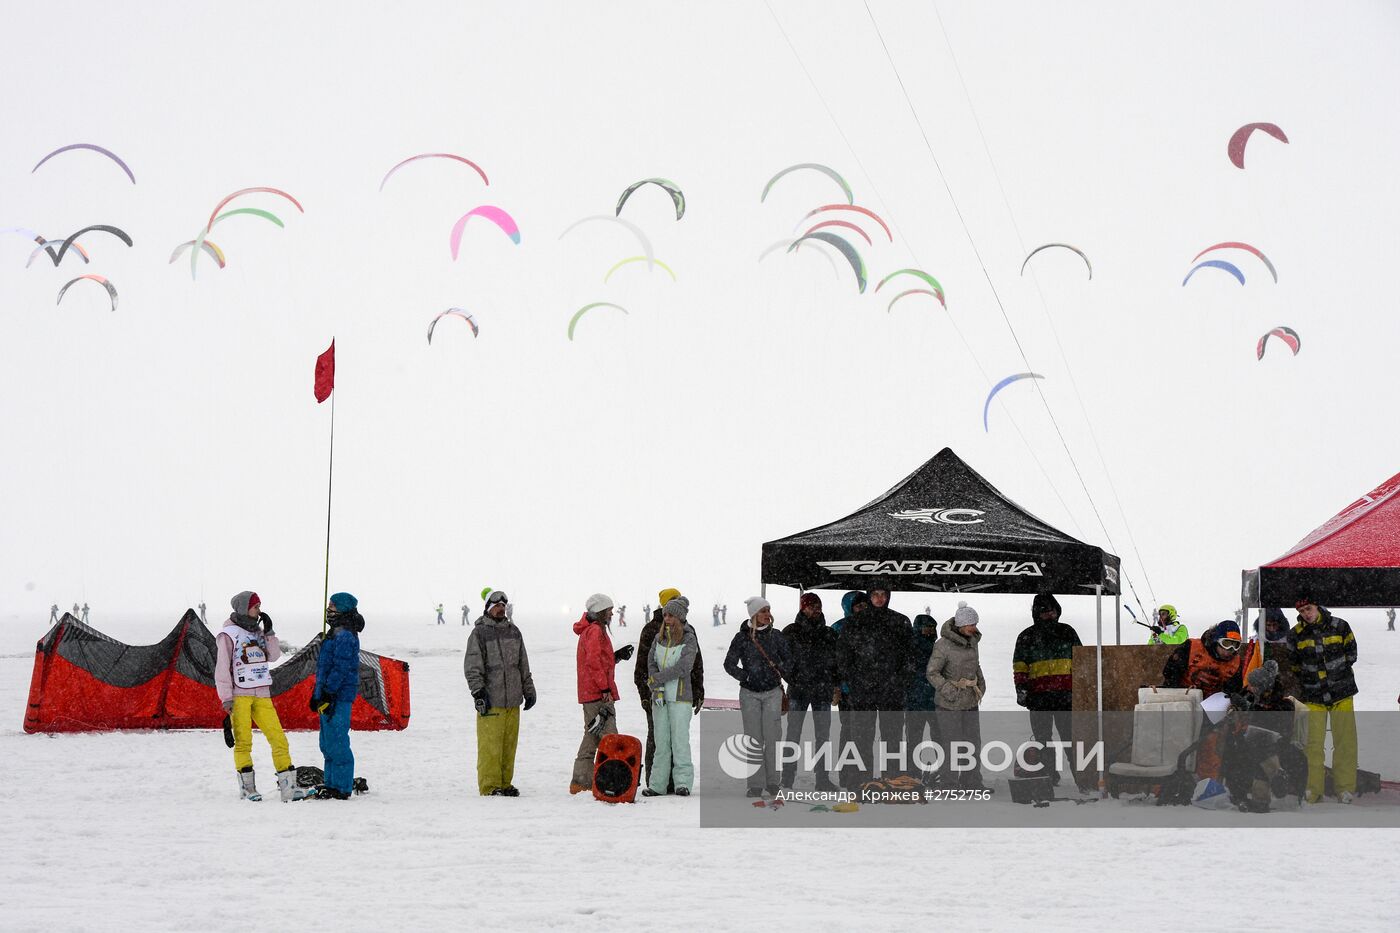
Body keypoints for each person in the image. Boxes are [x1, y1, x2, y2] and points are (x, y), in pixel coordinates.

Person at [215, 591, 305, 802]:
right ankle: (248, 789)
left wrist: (270, 632)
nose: (259, 610)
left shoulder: (259, 632)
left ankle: (288, 787)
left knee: (279, 739)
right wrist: (226, 697)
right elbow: (221, 668)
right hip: (239, 696)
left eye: (260, 606)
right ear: (244, 608)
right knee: (243, 742)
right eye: (256, 607)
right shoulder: (228, 634)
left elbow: (273, 655)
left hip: (262, 693)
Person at [1288, 594, 1359, 804]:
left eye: (1308, 609)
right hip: (1313, 696)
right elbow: (1294, 665)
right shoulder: (1295, 635)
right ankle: (1312, 789)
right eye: (1301, 612)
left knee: (1345, 742)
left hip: (1342, 694)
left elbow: (1352, 654)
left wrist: (1337, 673)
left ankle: (1345, 789)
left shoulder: (1340, 626)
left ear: (1317, 606)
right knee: (1312, 744)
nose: (1306, 614)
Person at [837, 588, 913, 786]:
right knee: (861, 738)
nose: (879, 599)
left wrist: (901, 680)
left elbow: (910, 655)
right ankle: (862, 781)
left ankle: (892, 779)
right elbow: (844, 656)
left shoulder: (900, 621)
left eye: (883, 594)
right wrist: (853, 681)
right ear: (869, 597)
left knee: (893, 738)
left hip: (892, 691)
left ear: (888, 597)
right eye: (875, 595)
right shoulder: (855, 622)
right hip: (863, 691)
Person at [465, 590, 536, 797]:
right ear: (488, 607)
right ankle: (490, 786)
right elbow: (472, 665)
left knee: (508, 745)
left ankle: (505, 783)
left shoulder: (514, 632)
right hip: (491, 700)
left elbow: (523, 664)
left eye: (503, 605)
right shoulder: (479, 633)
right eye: (497, 605)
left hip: (513, 700)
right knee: (490, 747)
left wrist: (529, 689)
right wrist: (478, 692)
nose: (501, 608)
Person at [633, 588, 704, 791]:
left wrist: (658, 678)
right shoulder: (656, 636)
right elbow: (648, 662)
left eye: (671, 615)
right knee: (660, 743)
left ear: (680, 617)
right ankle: (657, 784)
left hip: (681, 696)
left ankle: (682, 782)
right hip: (658, 696)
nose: (667, 618)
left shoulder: (689, 637)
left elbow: (687, 666)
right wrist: (651, 688)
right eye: (665, 614)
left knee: (680, 742)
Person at [724, 597, 792, 798]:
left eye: (769, 610)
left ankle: (773, 783)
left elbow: (789, 660)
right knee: (753, 740)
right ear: (753, 615)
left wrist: (779, 668)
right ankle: (755, 784)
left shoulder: (777, 636)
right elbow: (729, 664)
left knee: (772, 739)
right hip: (749, 694)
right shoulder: (741, 638)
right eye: (763, 611)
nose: (767, 614)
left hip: (772, 692)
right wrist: (745, 675)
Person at [1012, 592, 1081, 785]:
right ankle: (1049, 775)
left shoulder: (1068, 631)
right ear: (1036, 614)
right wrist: (1021, 690)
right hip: (1038, 697)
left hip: (1066, 696)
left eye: (1052, 611)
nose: (1049, 615)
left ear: (1057, 611)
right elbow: (1020, 666)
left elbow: (1082, 661)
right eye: (1044, 612)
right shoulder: (1026, 636)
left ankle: (1081, 778)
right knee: (1043, 740)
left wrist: (1082, 690)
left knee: (1070, 739)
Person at [571, 593, 632, 794]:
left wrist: (616, 657)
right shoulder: (595, 631)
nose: (612, 613)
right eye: (609, 610)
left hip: (591, 692)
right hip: (597, 693)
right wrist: (604, 688)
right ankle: (612, 782)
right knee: (609, 738)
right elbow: (594, 663)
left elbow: (599, 660)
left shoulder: (591, 630)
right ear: (600, 611)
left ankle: (581, 781)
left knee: (592, 735)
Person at [781, 593, 839, 791]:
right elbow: (782, 661)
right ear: (802, 607)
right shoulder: (791, 631)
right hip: (798, 690)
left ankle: (822, 779)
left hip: (822, 690)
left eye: (818, 605)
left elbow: (837, 661)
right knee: (792, 735)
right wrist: (793, 678)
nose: (816, 608)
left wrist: (835, 683)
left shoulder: (829, 634)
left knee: (823, 736)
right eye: (811, 605)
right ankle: (787, 778)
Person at [310, 592, 364, 800]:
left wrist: (329, 692)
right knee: (327, 742)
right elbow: (324, 667)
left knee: (338, 741)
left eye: (333, 606)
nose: (329, 610)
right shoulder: (334, 633)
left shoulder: (346, 635)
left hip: (338, 696)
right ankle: (331, 782)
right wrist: (317, 694)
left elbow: (341, 668)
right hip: (327, 694)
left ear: (342, 609)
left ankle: (342, 787)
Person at [927, 602, 986, 790]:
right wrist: (949, 690)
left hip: (970, 702)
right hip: (948, 704)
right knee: (951, 745)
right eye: (971, 624)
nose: (974, 628)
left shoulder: (973, 642)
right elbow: (932, 672)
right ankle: (949, 784)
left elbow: (975, 666)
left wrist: (981, 685)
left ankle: (972, 782)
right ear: (961, 625)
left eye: (975, 624)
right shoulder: (943, 645)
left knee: (972, 744)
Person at [1161, 620, 1246, 698]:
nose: (1228, 652)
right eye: (1226, 644)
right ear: (1216, 640)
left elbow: (1233, 690)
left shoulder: (1235, 664)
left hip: (1211, 705)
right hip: (1183, 696)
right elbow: (1170, 672)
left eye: (1235, 645)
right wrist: (1181, 691)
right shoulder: (1191, 647)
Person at [904, 613, 941, 780]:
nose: (929, 631)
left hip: (928, 701)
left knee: (918, 739)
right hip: (920, 701)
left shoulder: (936, 647)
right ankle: (938, 771)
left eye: (932, 628)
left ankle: (915, 771)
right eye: (926, 627)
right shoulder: (933, 648)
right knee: (921, 739)